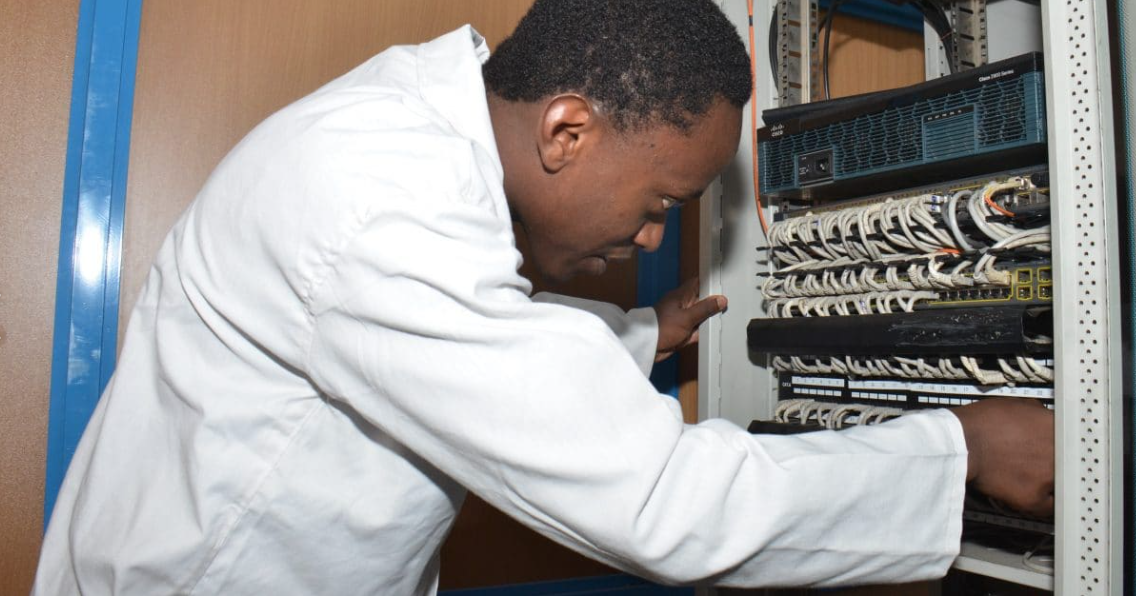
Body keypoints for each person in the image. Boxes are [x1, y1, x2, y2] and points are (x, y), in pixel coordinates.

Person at [34, 0, 1054, 593]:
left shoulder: (404, 144)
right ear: (567, 132)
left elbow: (463, 348)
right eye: (661, 200)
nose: (654, 233)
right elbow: (658, 503)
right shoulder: (375, 199)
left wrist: (634, 333)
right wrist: (955, 445)